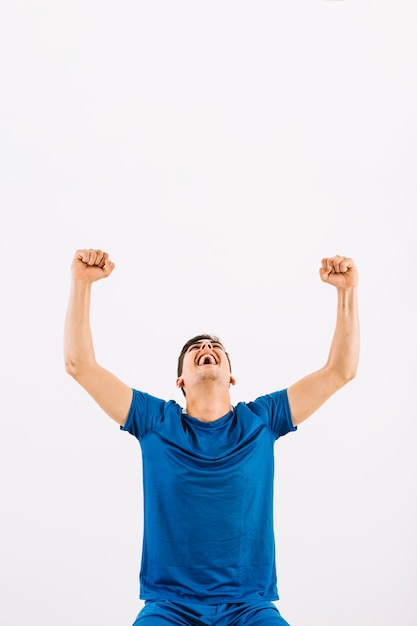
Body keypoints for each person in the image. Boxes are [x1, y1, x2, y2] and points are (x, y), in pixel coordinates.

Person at [64, 249, 360, 626]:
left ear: (232, 377)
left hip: (250, 607)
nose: (206, 349)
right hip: (169, 607)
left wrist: (347, 292)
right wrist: (81, 283)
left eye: (215, 348)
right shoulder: (154, 421)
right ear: (180, 381)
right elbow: (80, 365)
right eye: (195, 349)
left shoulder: (263, 420)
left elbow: (340, 371)